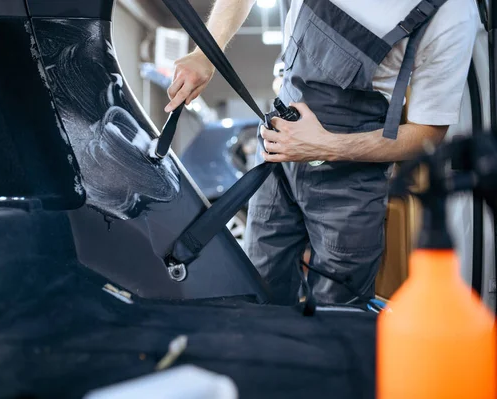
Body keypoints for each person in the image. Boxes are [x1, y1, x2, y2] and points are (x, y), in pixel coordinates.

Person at [165, 0, 480, 305]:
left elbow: (429, 135)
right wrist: (206, 52)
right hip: (279, 158)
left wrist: (325, 146)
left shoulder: (451, 10)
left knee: (337, 311)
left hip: (349, 186)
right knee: (257, 293)